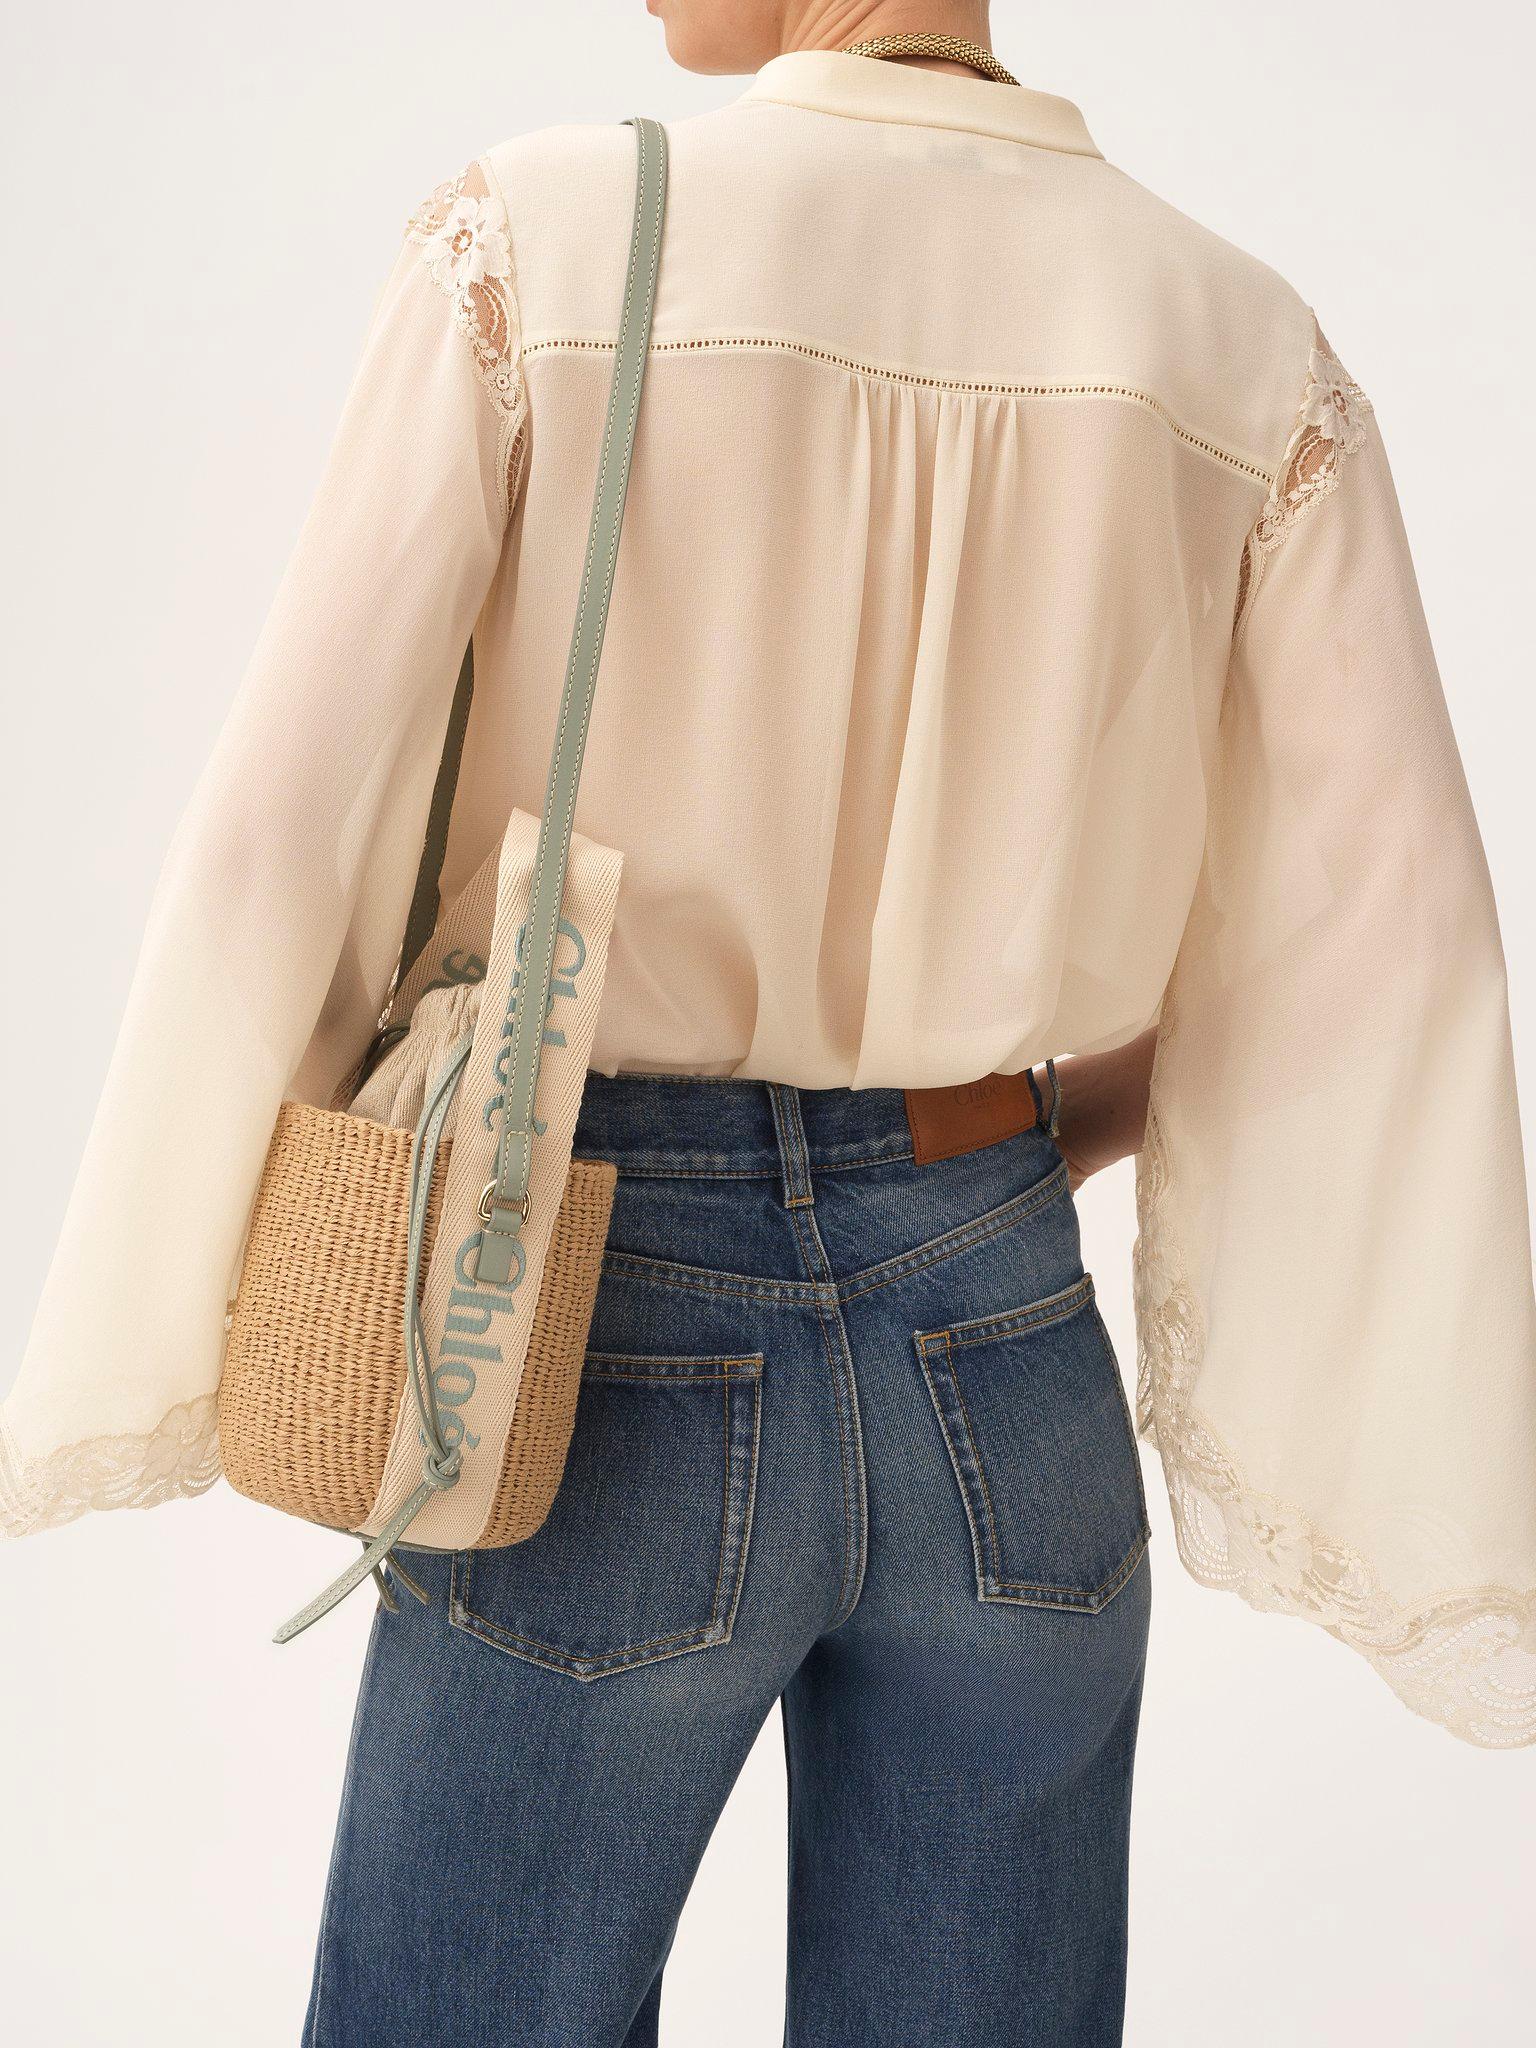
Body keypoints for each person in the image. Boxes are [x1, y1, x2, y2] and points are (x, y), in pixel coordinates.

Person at [4, 4, 1533, 2043]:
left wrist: (192, 1260)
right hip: (1007, 1352)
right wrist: (1006, 1149)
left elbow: (281, 833)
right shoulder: (1243, 349)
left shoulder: (539, 243)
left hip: (586, 1328)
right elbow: (1374, 949)